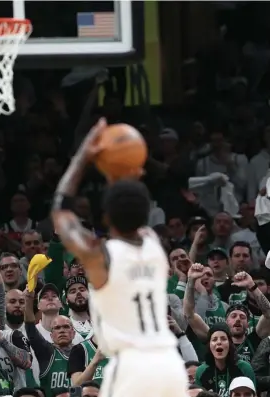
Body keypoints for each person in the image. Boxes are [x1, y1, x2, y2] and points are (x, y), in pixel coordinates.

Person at [51, 118, 188, 397]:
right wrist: (126, 171)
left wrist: (83, 157)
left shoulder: (101, 257)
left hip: (131, 366)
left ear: (105, 218)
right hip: (170, 365)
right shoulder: (154, 245)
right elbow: (132, 203)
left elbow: (60, 212)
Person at [24, 289, 74, 397]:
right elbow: (30, 329)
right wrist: (28, 300)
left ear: (73, 333)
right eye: (57, 328)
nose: (61, 330)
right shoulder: (46, 352)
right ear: (51, 336)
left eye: (66, 327)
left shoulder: (83, 352)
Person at [195, 323, 256, 397]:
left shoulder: (245, 368)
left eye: (223, 339)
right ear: (209, 345)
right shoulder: (201, 371)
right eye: (214, 339)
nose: (219, 342)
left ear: (230, 344)